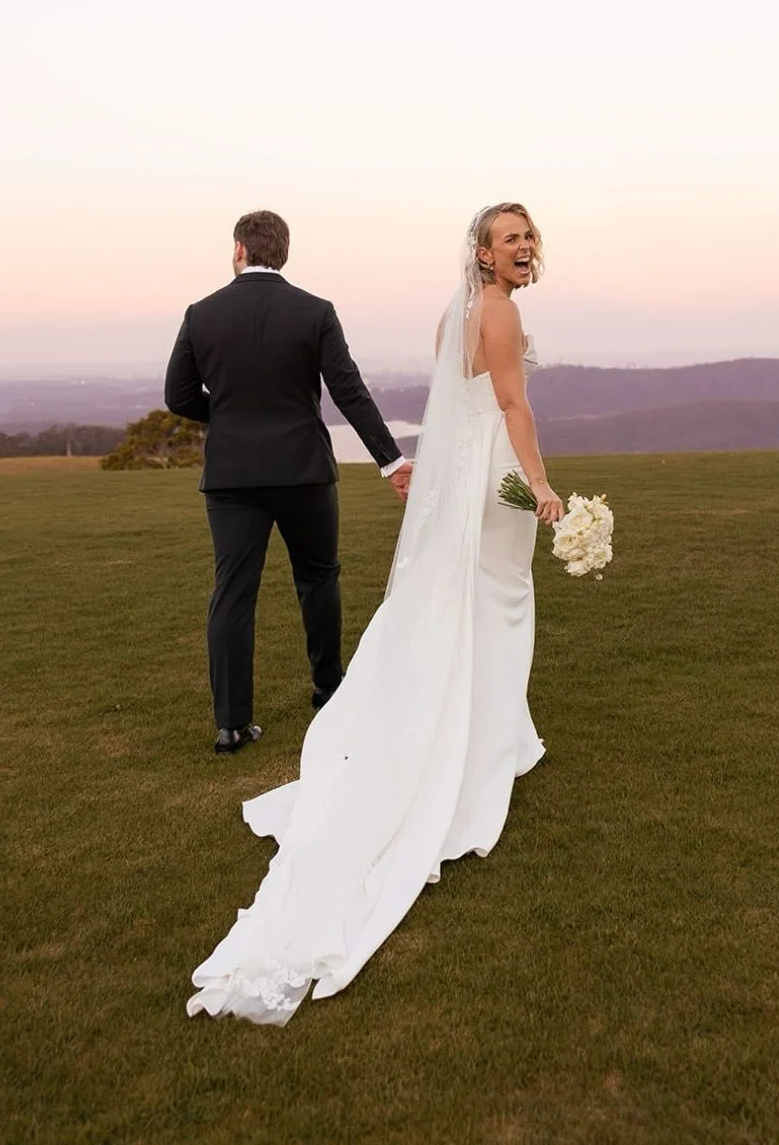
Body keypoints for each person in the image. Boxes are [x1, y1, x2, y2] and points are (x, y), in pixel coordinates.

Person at [186, 203, 564, 1024]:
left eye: (530, 235)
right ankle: (475, 738)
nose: (525, 247)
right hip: (480, 480)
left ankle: (249, 718)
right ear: (483, 253)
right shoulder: (491, 311)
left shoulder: (454, 312)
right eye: (512, 238)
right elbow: (508, 407)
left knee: (265, 597)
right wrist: (536, 482)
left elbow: (188, 393)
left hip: (425, 481)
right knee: (483, 602)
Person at [164, 210, 413, 754]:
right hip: (303, 471)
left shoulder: (200, 313)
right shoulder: (314, 312)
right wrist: (391, 461)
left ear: (238, 250)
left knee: (233, 592)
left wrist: (230, 417)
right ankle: (328, 689)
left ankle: (231, 724)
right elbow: (349, 392)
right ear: (283, 252)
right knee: (318, 577)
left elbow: (177, 396)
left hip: (231, 477)